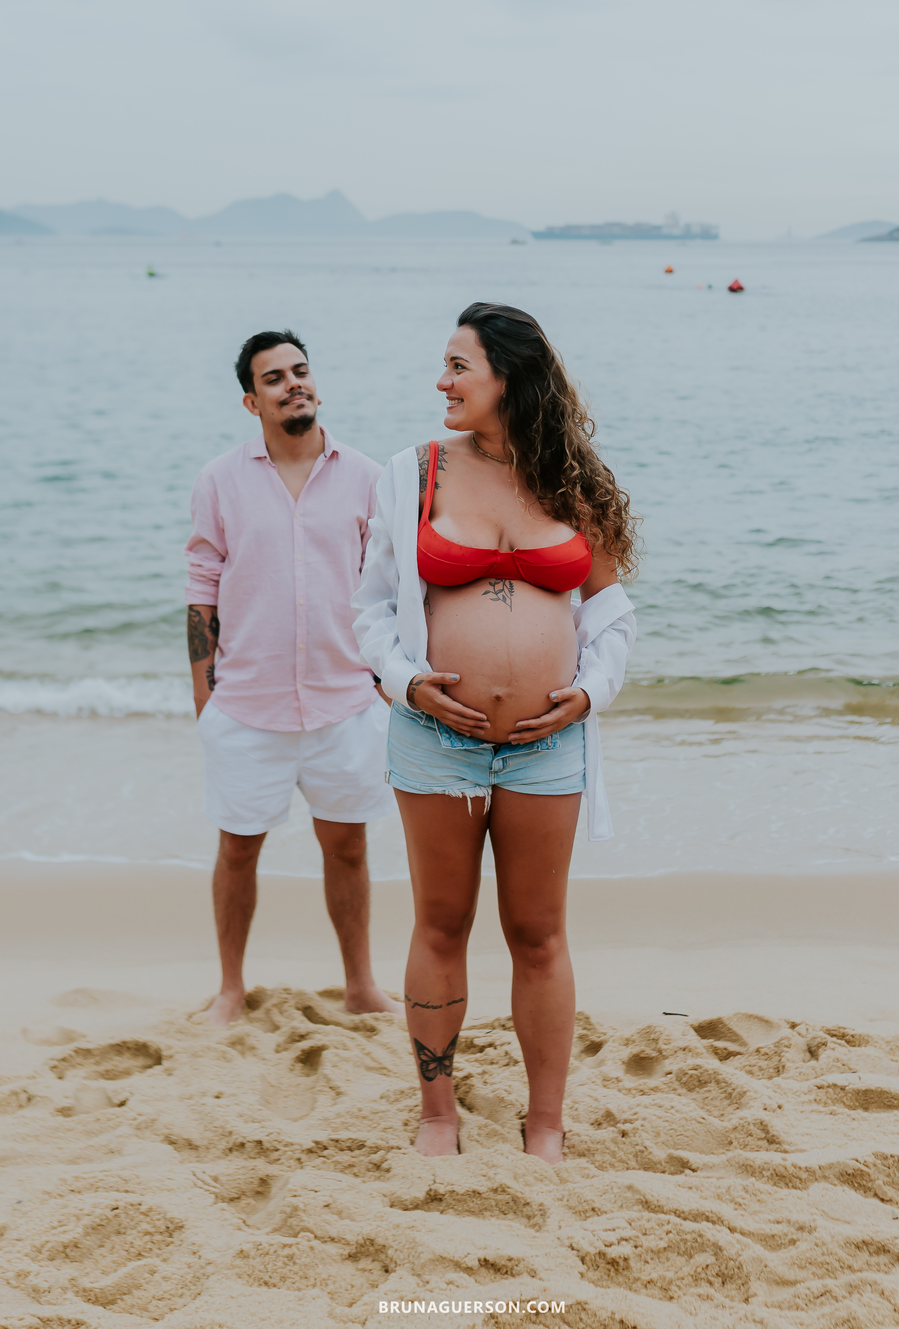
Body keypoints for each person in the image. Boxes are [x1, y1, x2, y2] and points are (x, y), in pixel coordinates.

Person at [353, 302, 637, 1162]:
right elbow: (368, 609)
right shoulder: (413, 474)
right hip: (434, 739)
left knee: (539, 933)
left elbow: (613, 615)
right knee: (440, 924)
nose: (441, 382)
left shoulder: (574, 483)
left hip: (549, 745)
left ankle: (544, 1123)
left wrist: (587, 695)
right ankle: (437, 1115)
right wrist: (407, 684)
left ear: (508, 376)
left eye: (457, 366)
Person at [185, 330, 400, 1026]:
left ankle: (362, 986)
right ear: (252, 401)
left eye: (301, 371)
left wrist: (384, 678)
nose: (293, 384)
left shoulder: (368, 476)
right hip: (246, 705)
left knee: (347, 847)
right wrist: (203, 695)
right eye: (274, 378)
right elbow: (202, 585)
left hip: (346, 703)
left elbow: (389, 587)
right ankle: (230, 989)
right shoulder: (220, 480)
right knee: (238, 849)